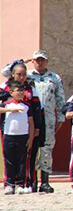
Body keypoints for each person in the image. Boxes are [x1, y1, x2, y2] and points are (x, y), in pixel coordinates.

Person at [25, 50, 65, 194]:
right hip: (32, 117)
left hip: (48, 118)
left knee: (47, 147)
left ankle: (45, 180)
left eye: (42, 60)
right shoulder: (27, 75)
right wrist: (23, 61)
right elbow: (6, 72)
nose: (40, 62)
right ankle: (32, 180)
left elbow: (60, 99)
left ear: (47, 62)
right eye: (37, 60)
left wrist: (61, 118)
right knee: (33, 148)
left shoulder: (54, 78)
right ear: (33, 61)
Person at [1, 61, 43, 192]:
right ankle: (9, 183)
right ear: (13, 74)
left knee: (25, 157)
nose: (22, 77)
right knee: (9, 157)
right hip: (8, 129)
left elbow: (36, 108)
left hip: (25, 128)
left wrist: (36, 128)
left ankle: (25, 183)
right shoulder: (5, 86)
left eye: (24, 74)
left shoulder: (31, 88)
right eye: (19, 74)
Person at [0, 80, 35, 195]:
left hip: (23, 136)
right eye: (18, 90)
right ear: (11, 92)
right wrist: (10, 110)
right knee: (9, 161)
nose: (20, 93)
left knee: (22, 161)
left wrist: (30, 138)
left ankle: (21, 184)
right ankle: (9, 184)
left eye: (22, 90)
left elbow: (31, 122)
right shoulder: (7, 104)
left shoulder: (26, 106)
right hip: (9, 136)